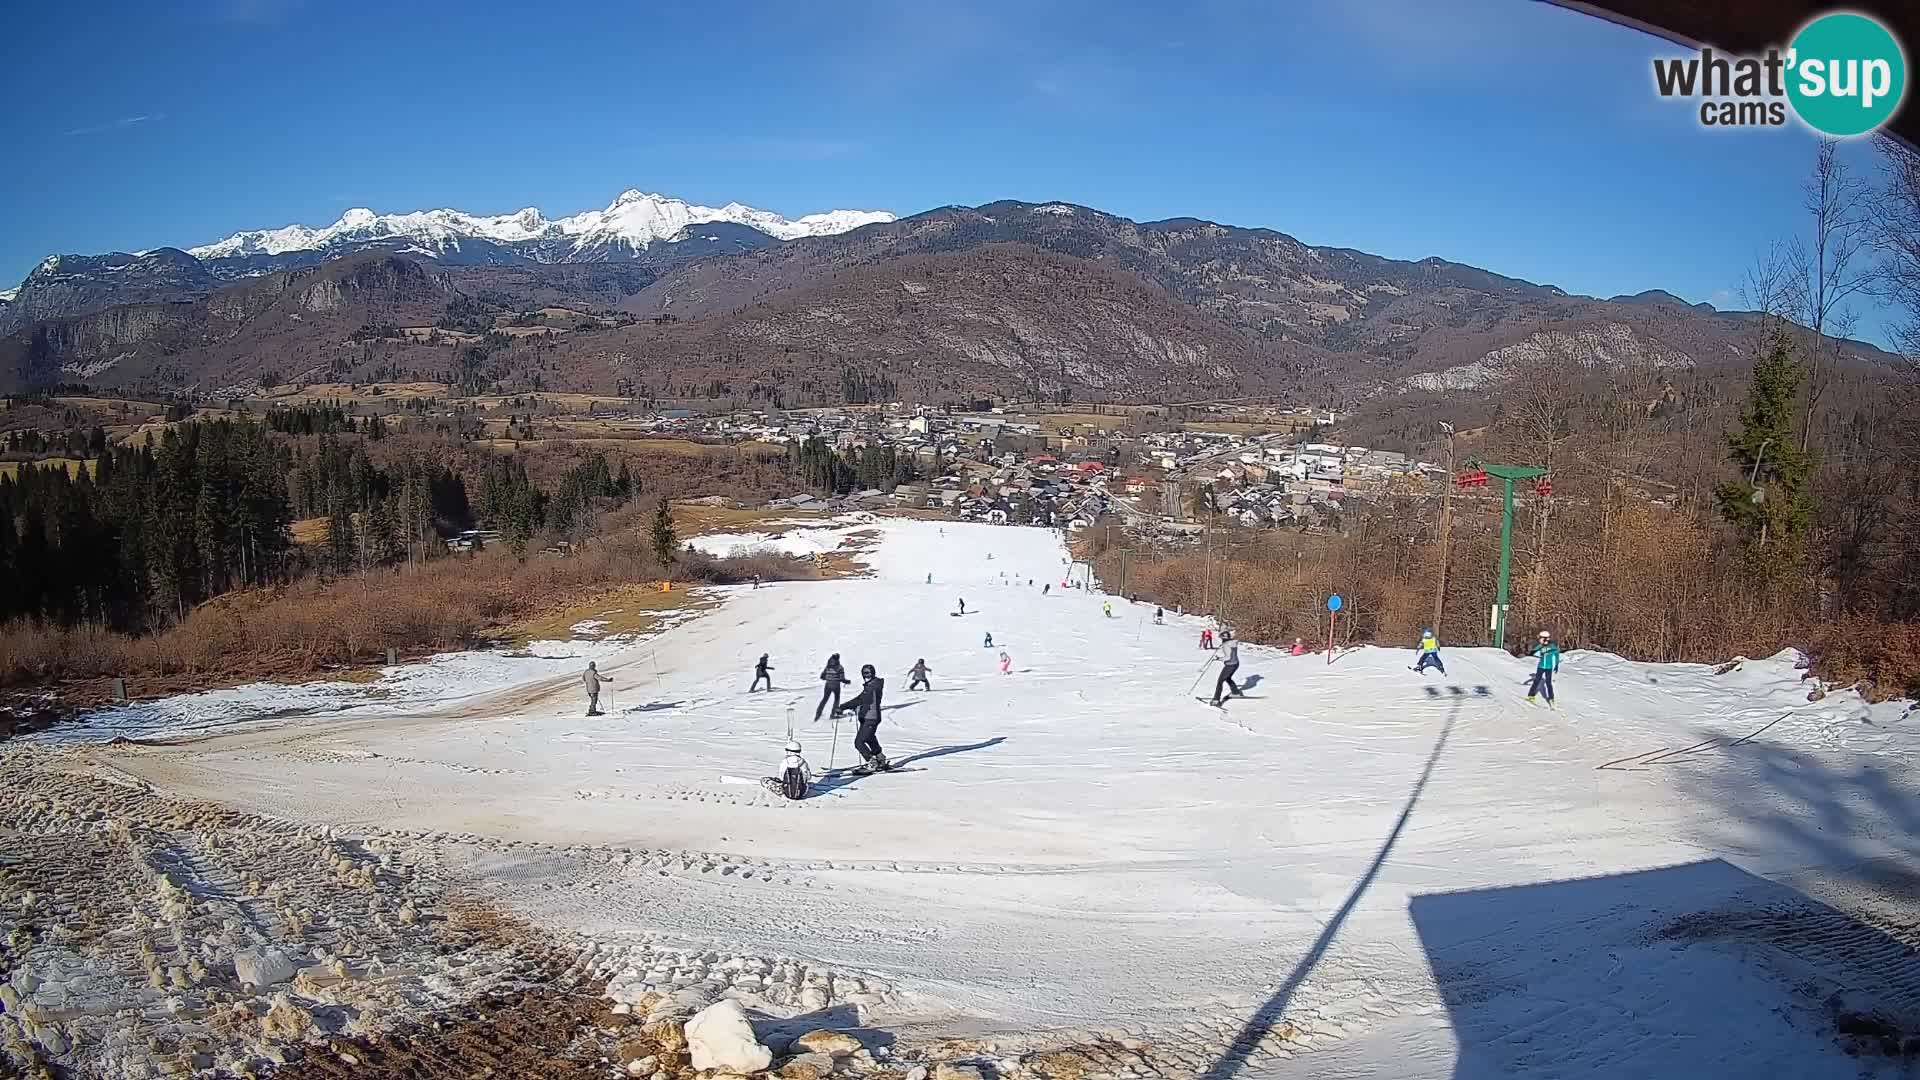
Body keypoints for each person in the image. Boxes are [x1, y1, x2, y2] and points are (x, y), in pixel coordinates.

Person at [833, 664, 890, 773]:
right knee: (869, 738)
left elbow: (862, 701)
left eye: (868, 673)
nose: (866, 676)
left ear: (873, 673)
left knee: (859, 742)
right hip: (869, 718)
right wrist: (844, 707)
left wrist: (844, 707)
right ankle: (880, 758)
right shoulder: (870, 686)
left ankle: (872, 762)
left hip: (871, 718)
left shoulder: (873, 686)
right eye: (864, 673)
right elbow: (860, 699)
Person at [1528, 631, 1561, 707]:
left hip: (1548, 668)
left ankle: (1551, 698)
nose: (1540, 640)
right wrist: (1533, 651)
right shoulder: (1541, 646)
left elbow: (1557, 656)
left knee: (1548, 683)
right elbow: (1534, 650)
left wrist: (1556, 665)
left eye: (1541, 638)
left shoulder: (1553, 646)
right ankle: (1531, 695)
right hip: (1540, 667)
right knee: (1536, 680)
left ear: (1546, 639)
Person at [814, 653, 850, 721]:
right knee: (836, 699)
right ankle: (833, 714)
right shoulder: (840, 667)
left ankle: (817, 715)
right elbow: (842, 679)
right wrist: (847, 682)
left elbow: (822, 676)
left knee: (824, 699)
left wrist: (828, 677)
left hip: (828, 685)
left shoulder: (828, 666)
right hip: (836, 685)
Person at [1212, 640, 1244, 705]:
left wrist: (1219, 659)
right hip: (1236, 664)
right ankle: (1235, 692)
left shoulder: (1226, 645)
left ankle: (1216, 700)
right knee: (1227, 678)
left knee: (1220, 681)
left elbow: (1228, 657)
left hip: (1230, 665)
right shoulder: (1233, 643)